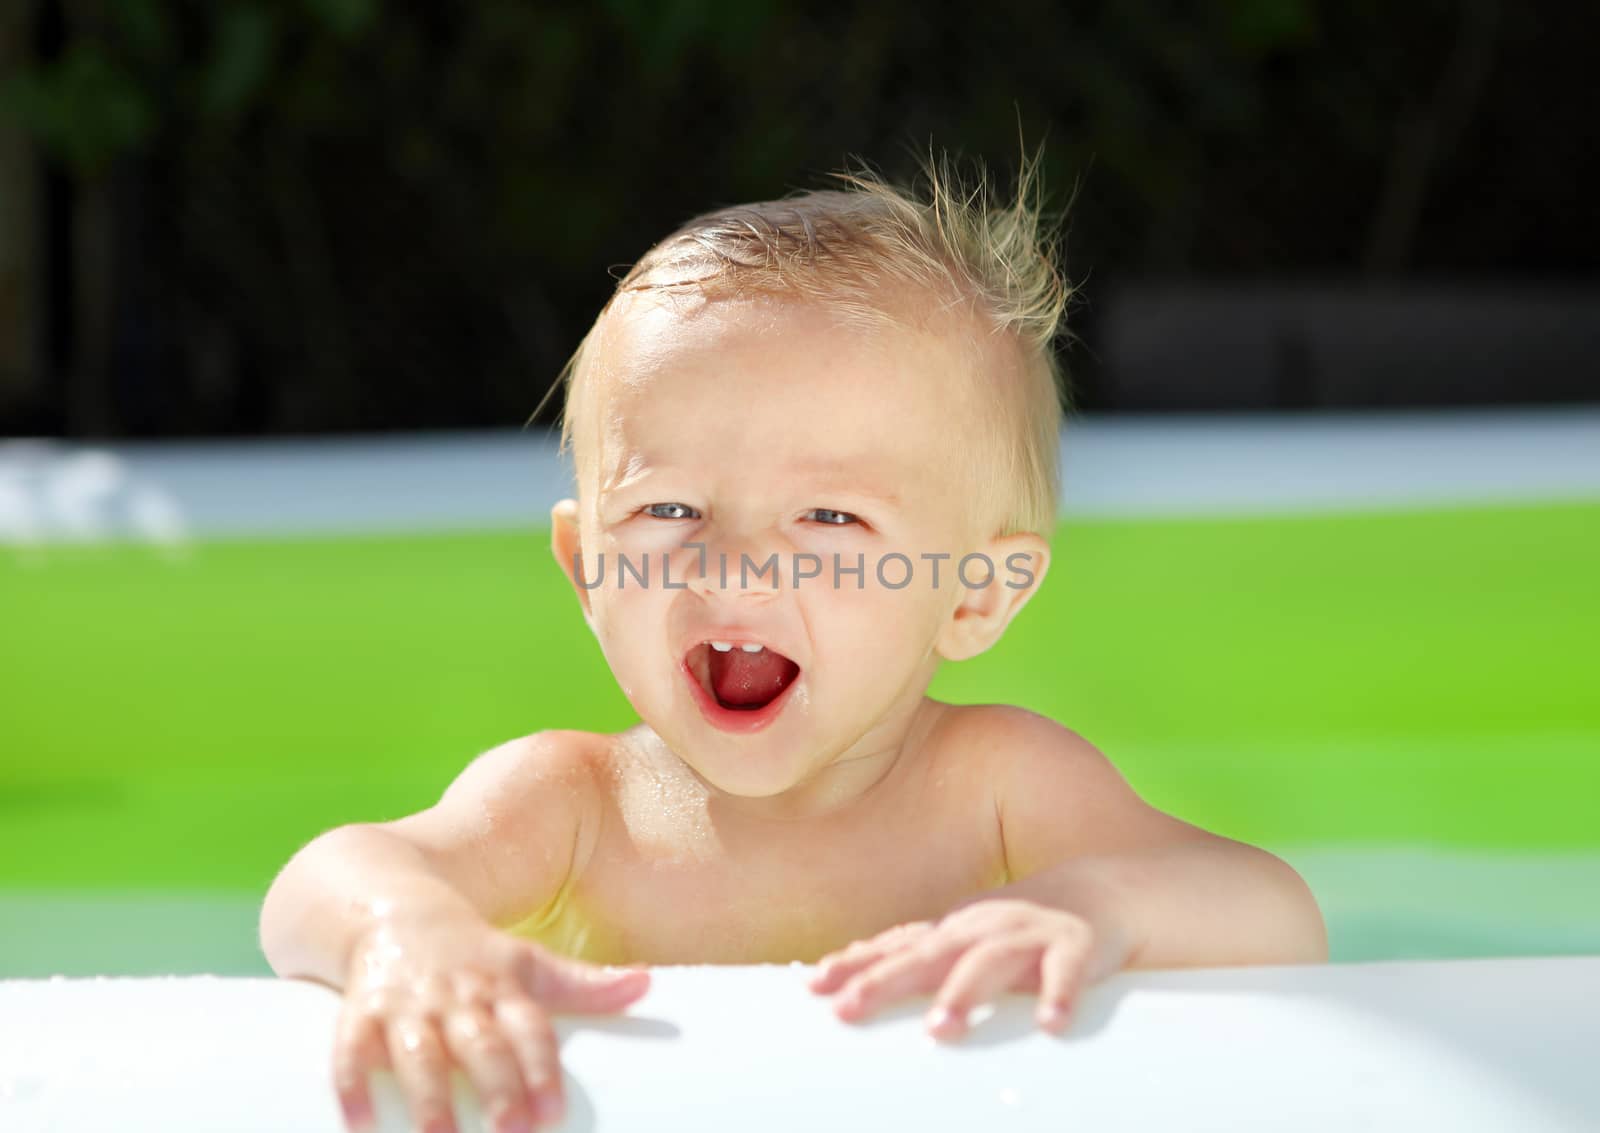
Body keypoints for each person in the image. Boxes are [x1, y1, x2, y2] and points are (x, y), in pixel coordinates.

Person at [260, 153, 1327, 1133]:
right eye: (671, 508)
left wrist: (1097, 905)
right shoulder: (574, 803)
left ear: (976, 593)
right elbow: (324, 877)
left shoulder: (994, 785)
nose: (735, 569)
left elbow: (1275, 915)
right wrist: (404, 930)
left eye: (830, 519)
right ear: (588, 566)